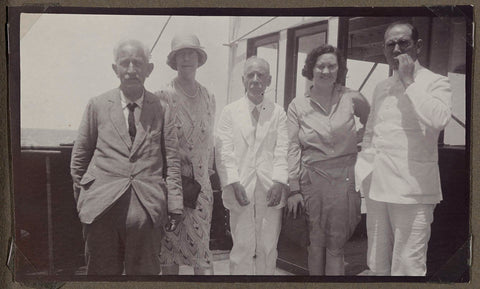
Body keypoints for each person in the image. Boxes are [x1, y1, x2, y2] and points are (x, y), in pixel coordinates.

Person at [70, 39, 183, 275]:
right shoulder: (97, 105)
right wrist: (85, 201)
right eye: (125, 63)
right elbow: (79, 160)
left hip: (147, 210)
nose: (131, 69)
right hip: (101, 209)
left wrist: (174, 206)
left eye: (138, 63)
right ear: (115, 69)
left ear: (149, 69)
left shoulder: (162, 108)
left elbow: (172, 162)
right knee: (101, 275)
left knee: (144, 276)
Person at [356, 21, 452, 276]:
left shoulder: (435, 82)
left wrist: (410, 82)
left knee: (408, 265)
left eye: (403, 43)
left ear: (418, 46)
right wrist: (363, 173)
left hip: (414, 190)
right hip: (377, 189)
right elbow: (370, 132)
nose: (396, 49)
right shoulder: (381, 87)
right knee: (377, 263)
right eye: (390, 44)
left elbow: (439, 119)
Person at [285, 44, 370, 275]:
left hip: (344, 180)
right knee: (316, 244)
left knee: (336, 246)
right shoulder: (297, 105)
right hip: (312, 183)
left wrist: (357, 139)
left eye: (332, 66)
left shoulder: (352, 97)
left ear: (339, 69)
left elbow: (372, 122)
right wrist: (293, 188)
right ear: (311, 69)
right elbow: (292, 146)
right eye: (320, 65)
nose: (326, 71)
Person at [215, 56, 289, 275]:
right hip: (241, 188)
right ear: (243, 79)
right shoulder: (230, 111)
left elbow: (282, 149)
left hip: (270, 189)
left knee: (268, 247)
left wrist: (278, 182)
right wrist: (233, 182)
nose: (256, 79)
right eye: (251, 75)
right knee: (242, 248)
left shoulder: (278, 112)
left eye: (261, 75)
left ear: (269, 80)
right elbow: (224, 151)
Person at [157, 33, 216, 275]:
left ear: (199, 59)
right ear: (174, 60)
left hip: (201, 189)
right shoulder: (162, 95)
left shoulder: (209, 97)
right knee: (169, 251)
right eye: (181, 54)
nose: (186, 59)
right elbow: (154, 142)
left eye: (191, 53)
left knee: (202, 253)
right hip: (173, 188)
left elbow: (209, 142)